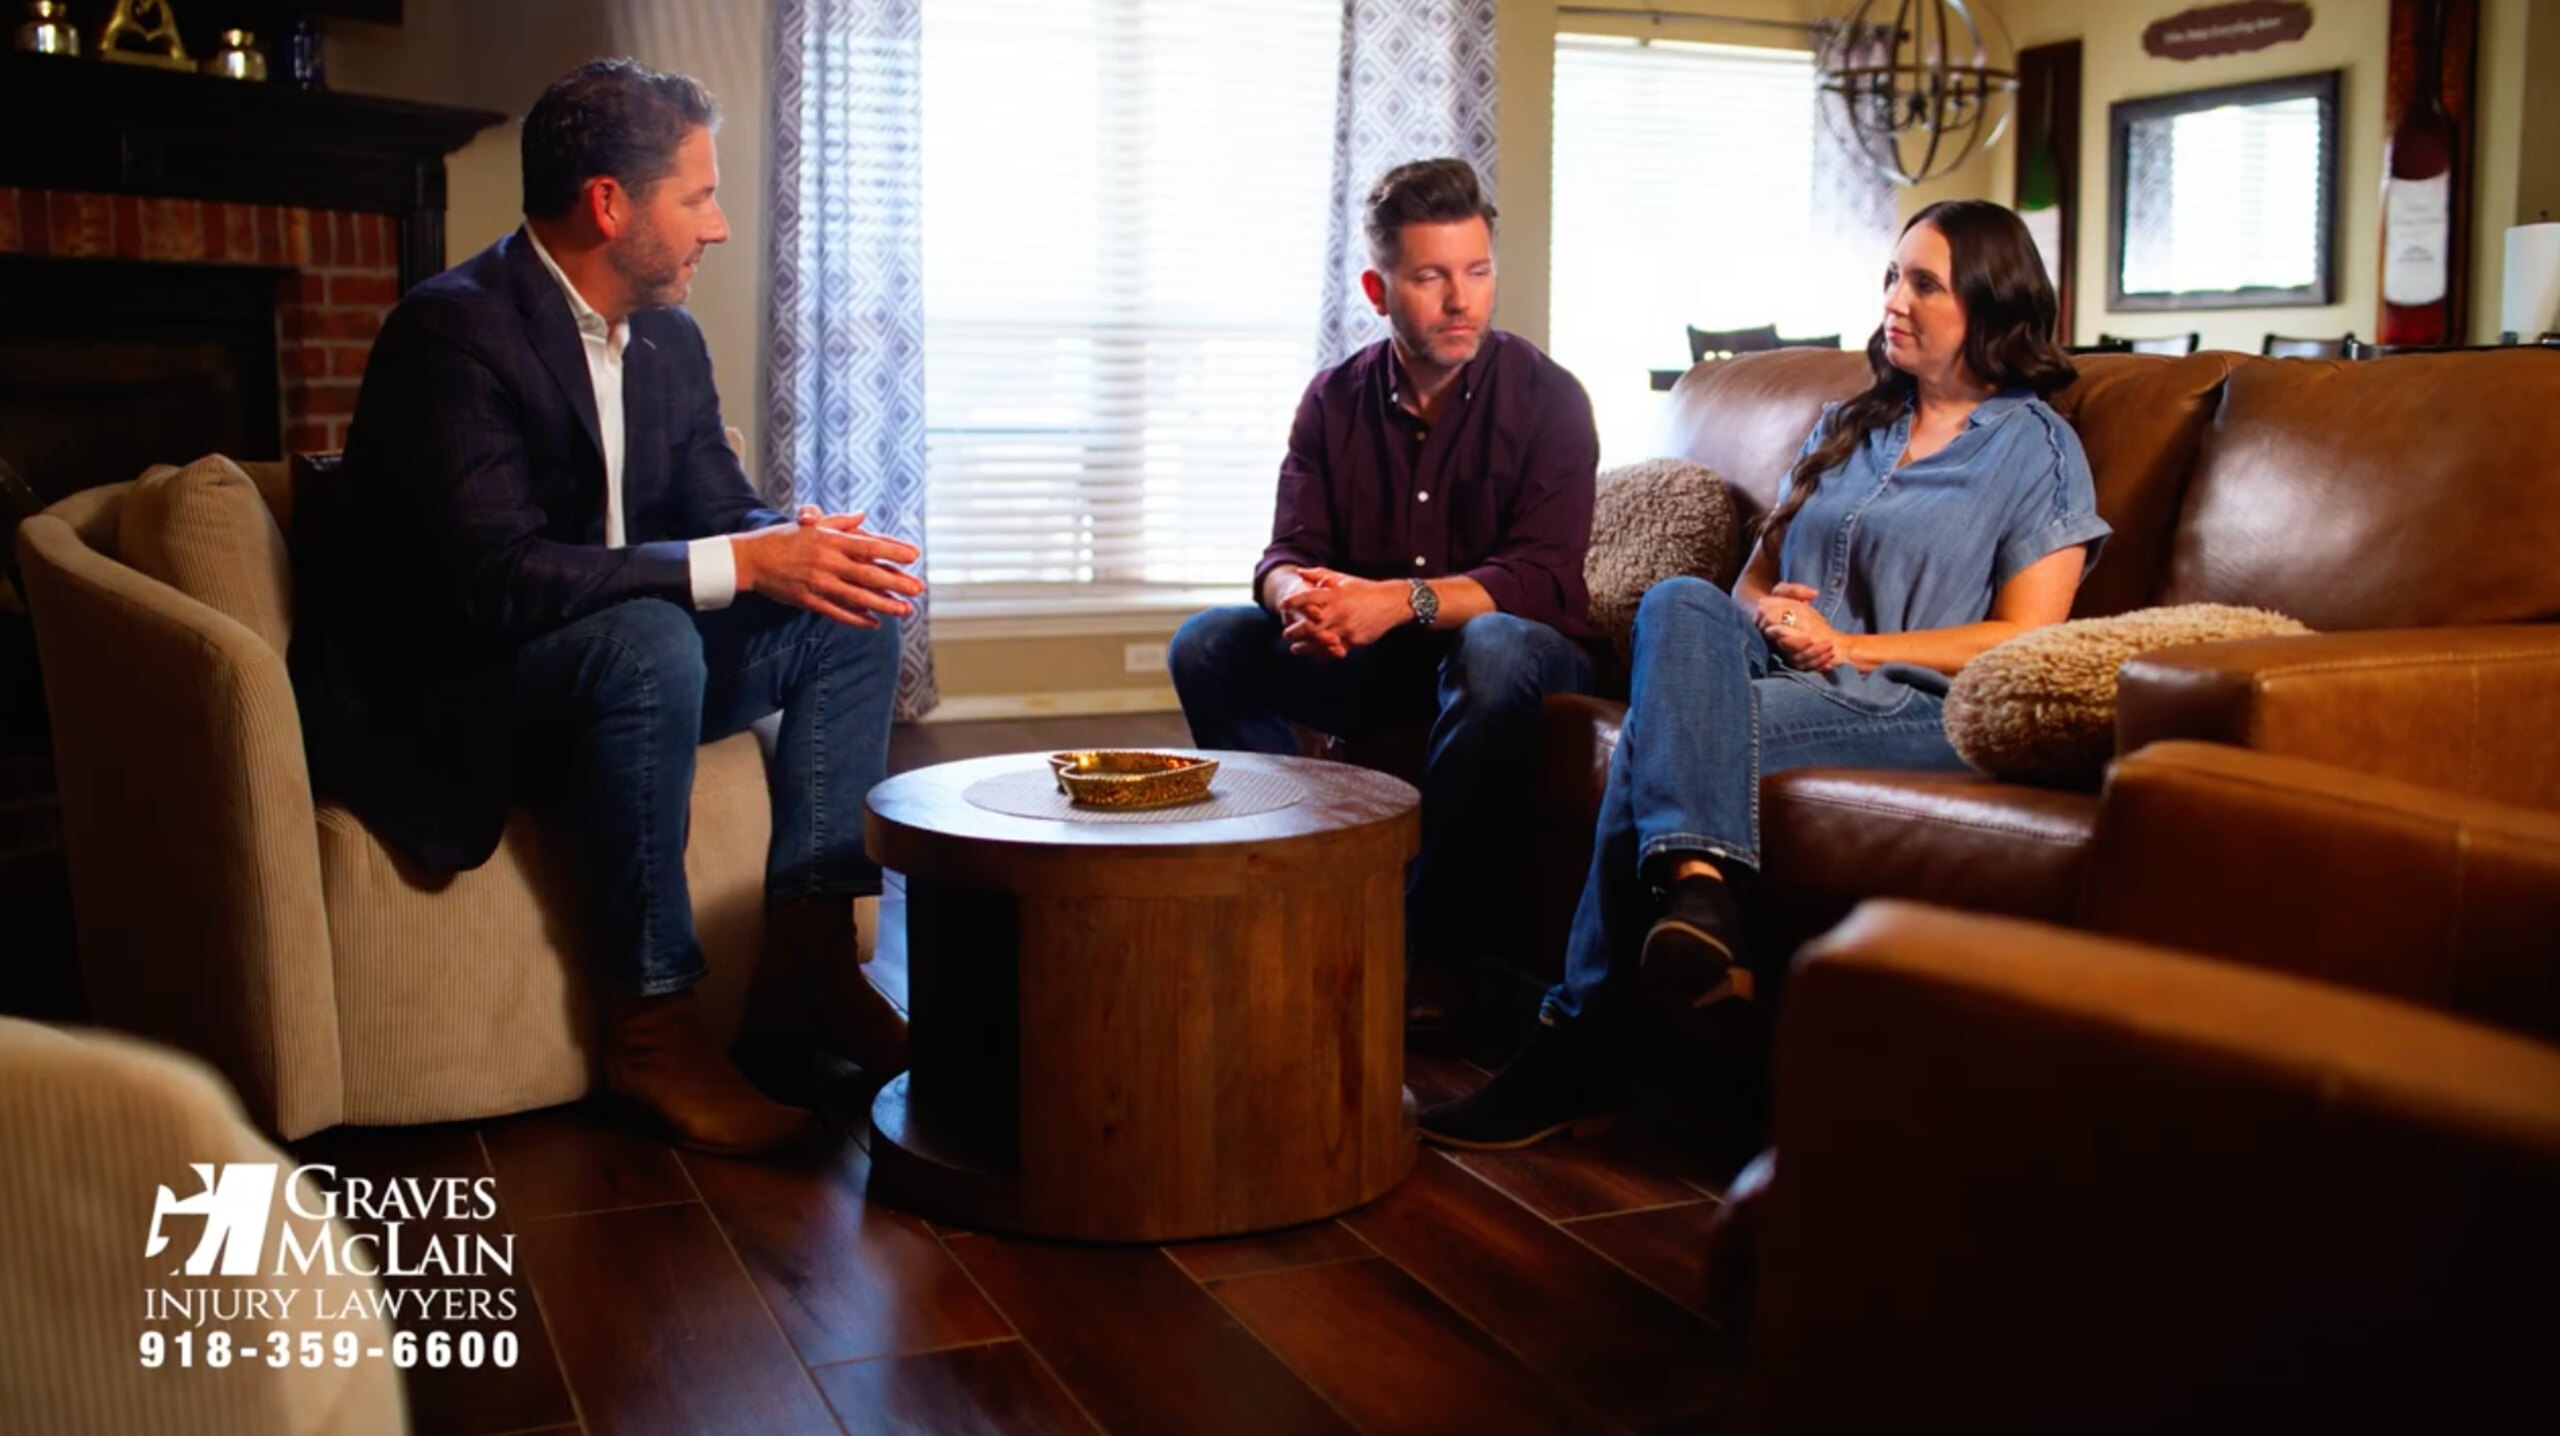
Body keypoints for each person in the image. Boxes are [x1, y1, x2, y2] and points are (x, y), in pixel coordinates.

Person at [290, 60, 924, 1158]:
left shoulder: (667, 338)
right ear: (609, 203)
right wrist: (736, 558)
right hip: (462, 687)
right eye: (698, 196)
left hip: (629, 664)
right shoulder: (451, 335)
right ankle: (653, 1024)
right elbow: (499, 580)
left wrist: (799, 542)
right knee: (649, 638)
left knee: (847, 602)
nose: (718, 227)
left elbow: (718, 514)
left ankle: (811, 966)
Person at [1420, 199, 2113, 1148]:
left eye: (1924, 283)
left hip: (1915, 709)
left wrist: (1852, 647)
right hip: (1784, 671)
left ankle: (1580, 1038)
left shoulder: (2039, 451)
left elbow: (2023, 639)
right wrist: (1775, 614)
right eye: (1891, 277)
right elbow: (1747, 583)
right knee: (1678, 602)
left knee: (1656, 740)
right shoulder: (1851, 423)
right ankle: (1701, 893)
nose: (1893, 301)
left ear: (1992, 307)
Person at [1168, 158, 1600, 1017]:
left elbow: (1543, 578)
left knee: (1494, 643)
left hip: (1515, 658)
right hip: (1376, 658)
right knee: (1208, 643)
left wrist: (1395, 601)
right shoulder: (1332, 400)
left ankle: (1427, 942)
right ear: (1378, 287)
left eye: (1477, 272)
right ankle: (1295, 883)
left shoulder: (1549, 399)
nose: (1461, 300)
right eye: (1431, 276)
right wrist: (1300, 599)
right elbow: (1285, 552)